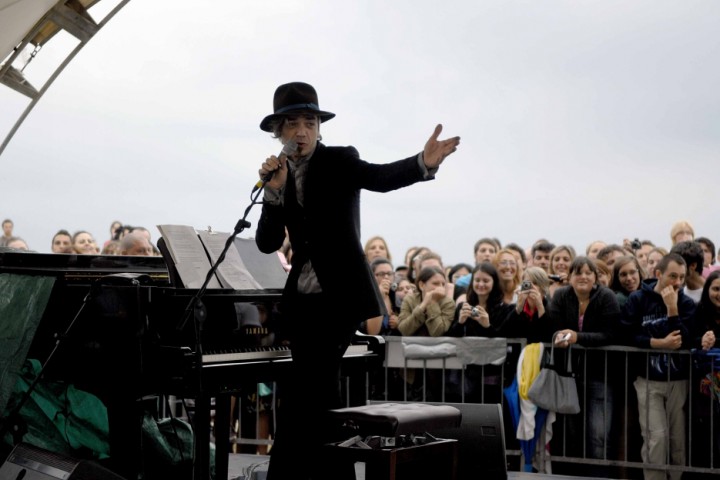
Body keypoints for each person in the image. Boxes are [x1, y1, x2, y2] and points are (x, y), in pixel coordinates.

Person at [253, 81, 460, 480]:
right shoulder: (278, 176)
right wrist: (273, 194)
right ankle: (333, 475)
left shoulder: (339, 159)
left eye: (310, 122)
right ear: (278, 131)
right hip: (302, 303)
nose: (302, 131)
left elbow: (380, 177)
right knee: (318, 401)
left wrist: (423, 163)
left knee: (303, 400)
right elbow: (265, 243)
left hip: (338, 300)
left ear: (318, 128)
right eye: (292, 123)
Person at [620, 253, 696, 480]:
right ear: (658, 274)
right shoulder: (637, 300)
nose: (678, 282)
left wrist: (672, 310)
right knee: (656, 437)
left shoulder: (685, 303)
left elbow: (687, 339)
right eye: (673, 276)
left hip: (678, 380)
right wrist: (656, 343)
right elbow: (626, 334)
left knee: (677, 441)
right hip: (648, 380)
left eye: (682, 277)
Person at [550, 256, 622, 477]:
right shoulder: (561, 295)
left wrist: (577, 337)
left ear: (595, 277)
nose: (583, 276)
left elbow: (610, 334)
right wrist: (560, 336)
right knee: (568, 432)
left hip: (601, 375)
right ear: (569, 277)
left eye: (588, 272)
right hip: (568, 375)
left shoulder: (607, 297)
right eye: (577, 272)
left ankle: (598, 476)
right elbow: (553, 327)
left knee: (598, 433)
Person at [361, 257, 397, 335]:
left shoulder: (396, 294)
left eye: (389, 274)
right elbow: (372, 332)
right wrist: (379, 297)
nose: (386, 277)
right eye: (381, 274)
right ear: (372, 276)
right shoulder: (366, 297)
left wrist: (398, 322)